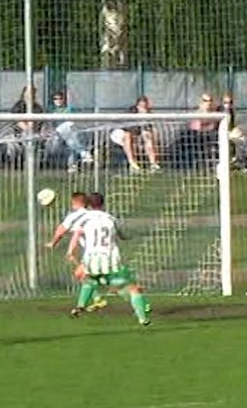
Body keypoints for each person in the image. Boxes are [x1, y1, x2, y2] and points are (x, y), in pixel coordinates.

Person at [66, 192, 151, 326]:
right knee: (131, 288)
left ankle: (80, 306)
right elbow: (123, 236)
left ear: (89, 205)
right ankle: (142, 318)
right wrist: (129, 236)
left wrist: (71, 251)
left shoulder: (83, 219)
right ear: (103, 204)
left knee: (89, 280)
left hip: (91, 259)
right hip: (110, 259)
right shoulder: (111, 219)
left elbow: (77, 234)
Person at [45, 191, 107, 313]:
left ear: (75, 202)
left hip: (93, 252)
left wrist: (53, 242)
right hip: (104, 250)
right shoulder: (92, 214)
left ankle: (85, 305)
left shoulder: (75, 216)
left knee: (83, 274)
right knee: (83, 275)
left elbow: (61, 230)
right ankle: (97, 299)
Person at [49, 91, 92, 173]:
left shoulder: (68, 110)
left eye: (60, 98)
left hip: (66, 135)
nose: (58, 100)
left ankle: (72, 166)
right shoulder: (50, 110)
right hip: (55, 137)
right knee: (68, 129)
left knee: (70, 142)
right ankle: (83, 152)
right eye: (55, 99)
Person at [221, 93, 247, 170]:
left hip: (233, 132)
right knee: (240, 141)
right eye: (225, 103)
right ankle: (246, 160)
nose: (228, 105)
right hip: (222, 133)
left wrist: (239, 129)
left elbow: (238, 124)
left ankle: (243, 160)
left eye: (230, 103)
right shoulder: (221, 113)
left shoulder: (235, 112)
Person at [121, 96, 161, 173]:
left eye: (144, 106)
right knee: (128, 137)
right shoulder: (131, 112)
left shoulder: (148, 113)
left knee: (148, 138)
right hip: (124, 132)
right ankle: (132, 162)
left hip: (137, 132)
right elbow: (128, 128)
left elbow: (147, 128)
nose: (143, 108)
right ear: (137, 105)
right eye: (141, 106)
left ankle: (153, 163)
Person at [8, 85, 45, 161]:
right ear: (24, 93)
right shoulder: (18, 106)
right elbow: (19, 122)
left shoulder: (37, 107)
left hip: (35, 133)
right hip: (18, 134)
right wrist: (28, 127)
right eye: (28, 93)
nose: (31, 95)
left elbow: (38, 124)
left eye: (33, 93)